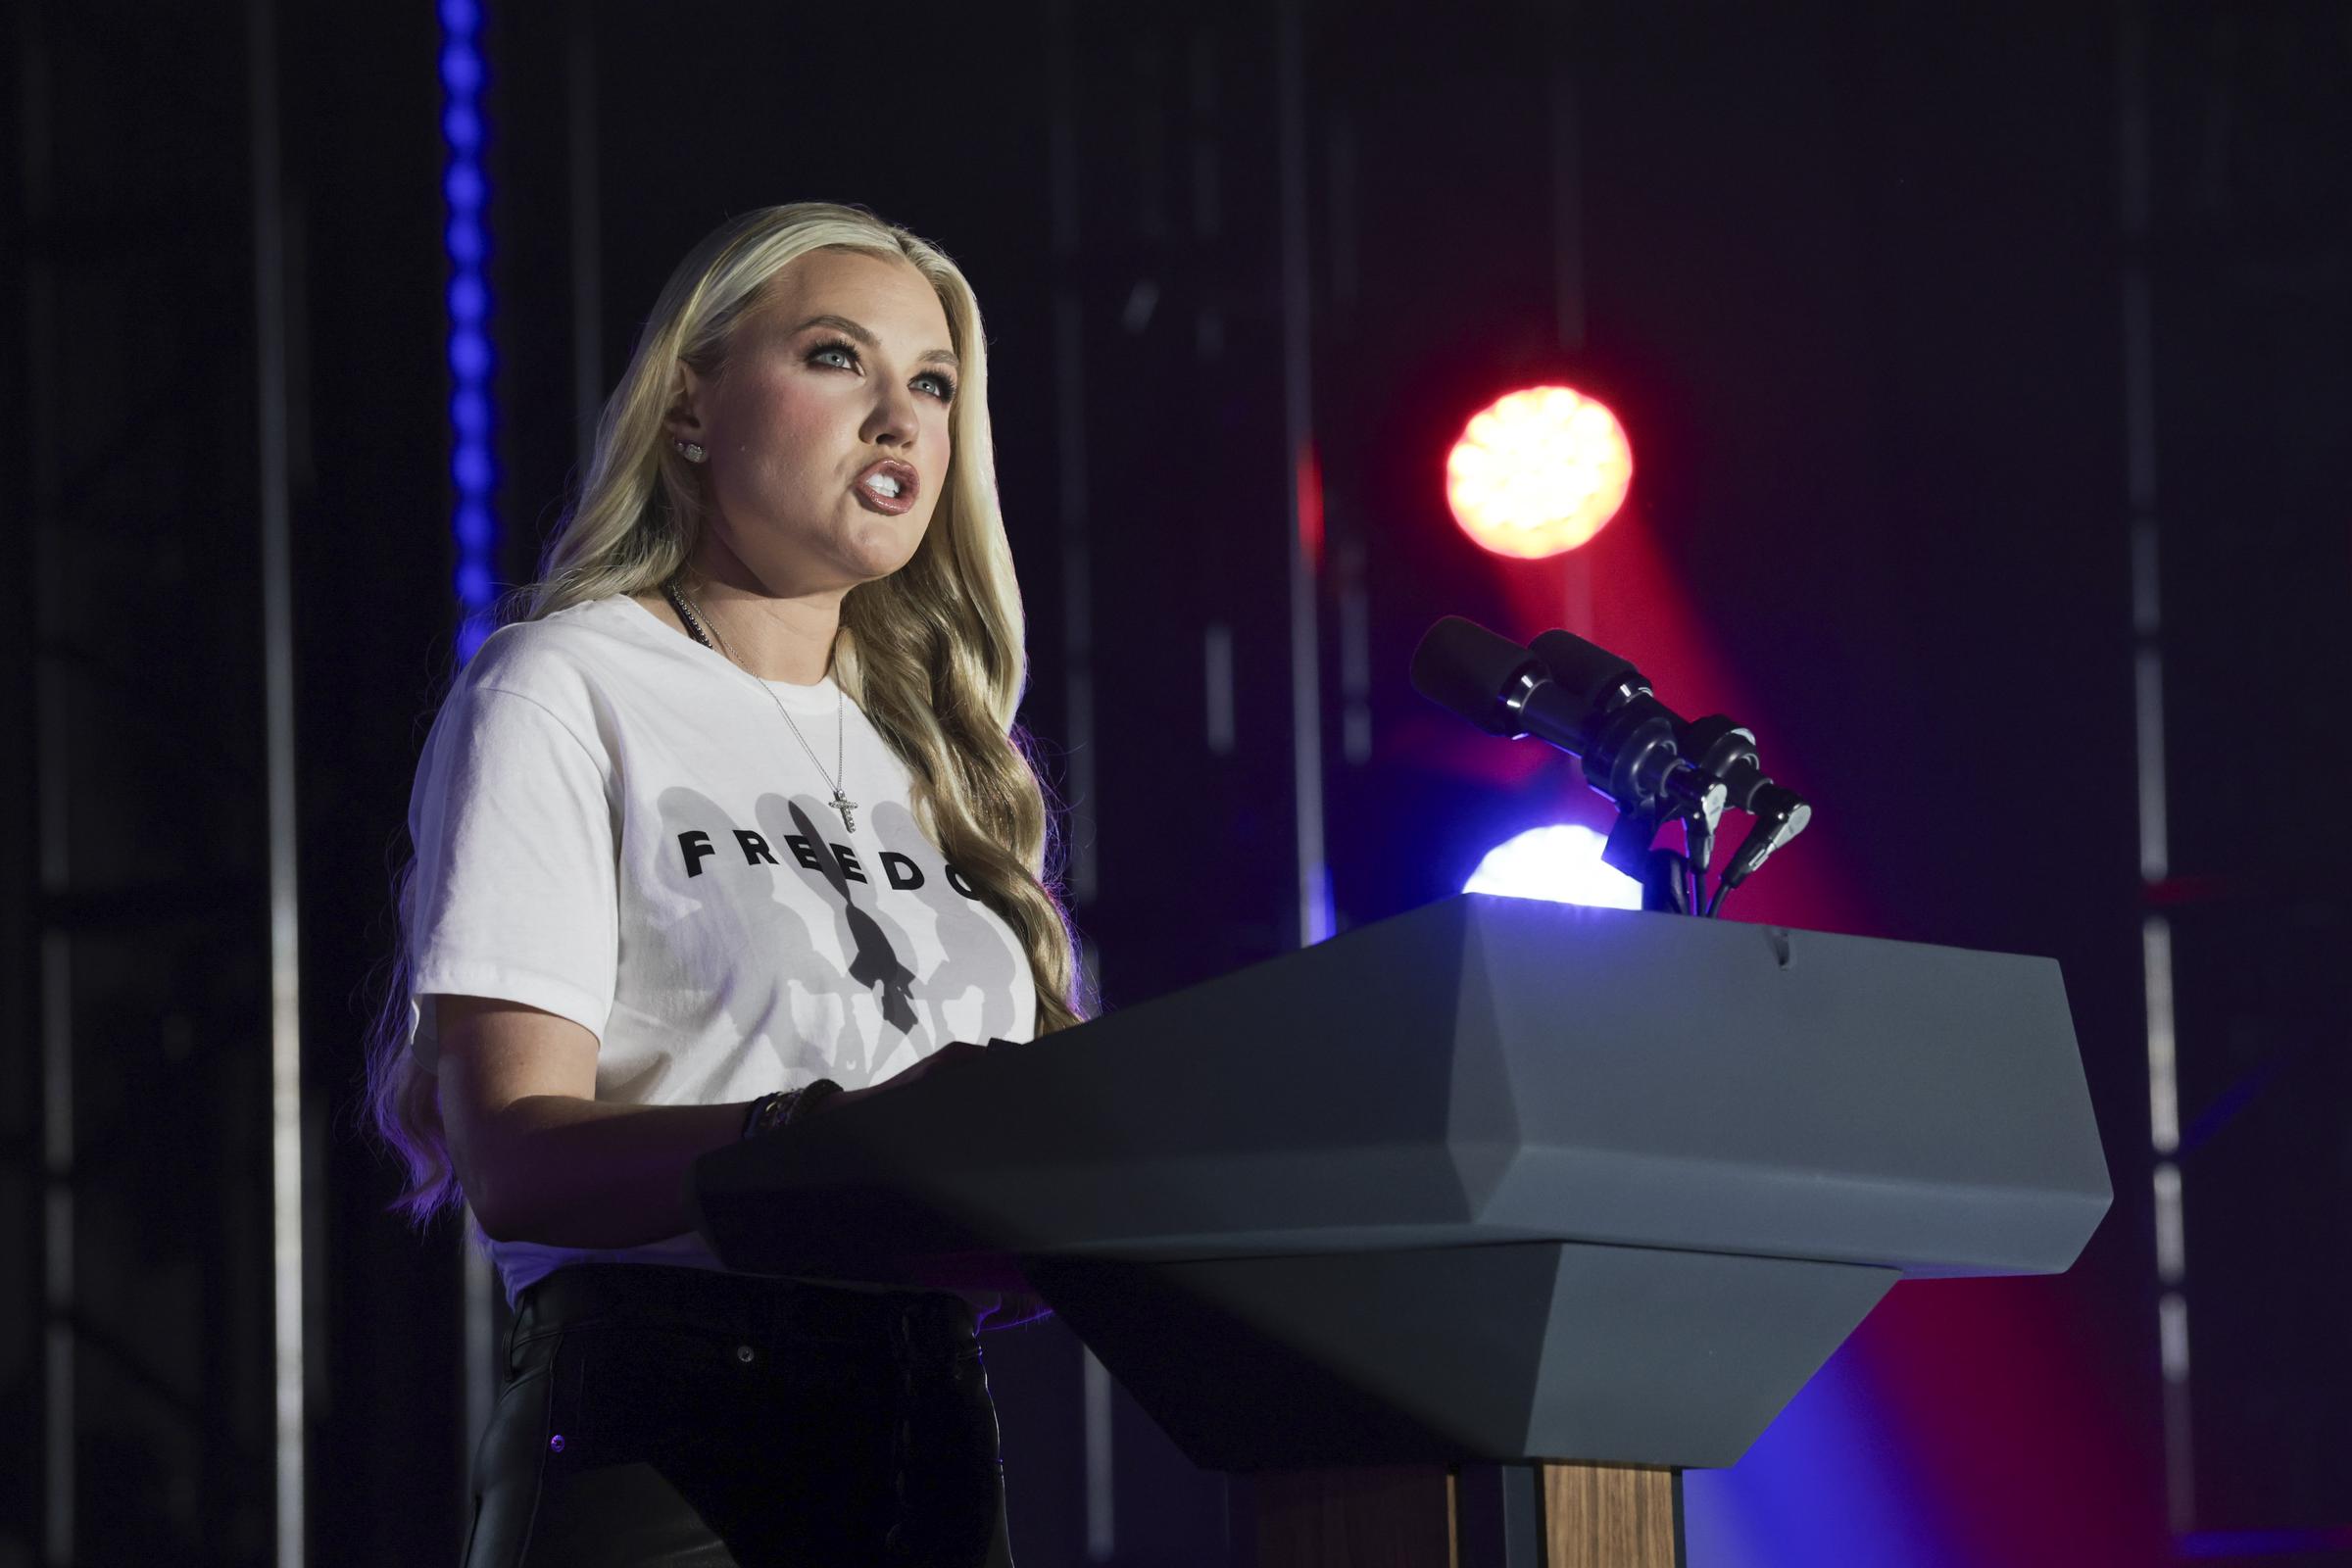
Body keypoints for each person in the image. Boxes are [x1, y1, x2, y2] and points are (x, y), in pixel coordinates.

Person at [362, 201, 1085, 1566]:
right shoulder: (567, 684)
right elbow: (515, 1157)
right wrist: (836, 1140)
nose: (900, 419)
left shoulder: (950, 762)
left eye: (932, 384)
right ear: (691, 403)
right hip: (667, 1443)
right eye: (836, 358)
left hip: (935, 1439)